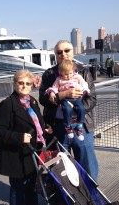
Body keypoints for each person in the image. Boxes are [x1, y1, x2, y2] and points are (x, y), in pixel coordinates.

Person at [39, 40, 99, 183]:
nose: (63, 54)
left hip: (81, 126)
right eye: (59, 52)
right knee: (61, 168)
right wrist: (62, 96)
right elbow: (42, 99)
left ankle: (91, 197)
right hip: (58, 127)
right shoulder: (49, 74)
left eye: (67, 50)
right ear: (55, 55)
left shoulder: (83, 71)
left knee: (88, 166)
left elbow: (92, 98)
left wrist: (76, 110)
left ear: (72, 52)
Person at [0, 69, 52, 205]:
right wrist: (19, 137)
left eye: (28, 83)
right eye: (21, 83)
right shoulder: (7, 104)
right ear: (14, 84)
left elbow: (37, 120)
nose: (25, 86)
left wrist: (45, 127)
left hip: (32, 152)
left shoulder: (32, 101)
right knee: (18, 190)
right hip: (16, 156)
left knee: (31, 188)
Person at [45, 59, 90, 141]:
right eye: (66, 74)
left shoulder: (77, 77)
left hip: (76, 97)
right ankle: (68, 126)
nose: (68, 76)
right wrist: (52, 92)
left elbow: (84, 84)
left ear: (73, 70)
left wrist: (84, 91)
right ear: (60, 72)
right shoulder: (59, 79)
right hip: (65, 99)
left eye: (70, 73)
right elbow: (54, 87)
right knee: (66, 109)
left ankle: (79, 125)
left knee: (81, 108)